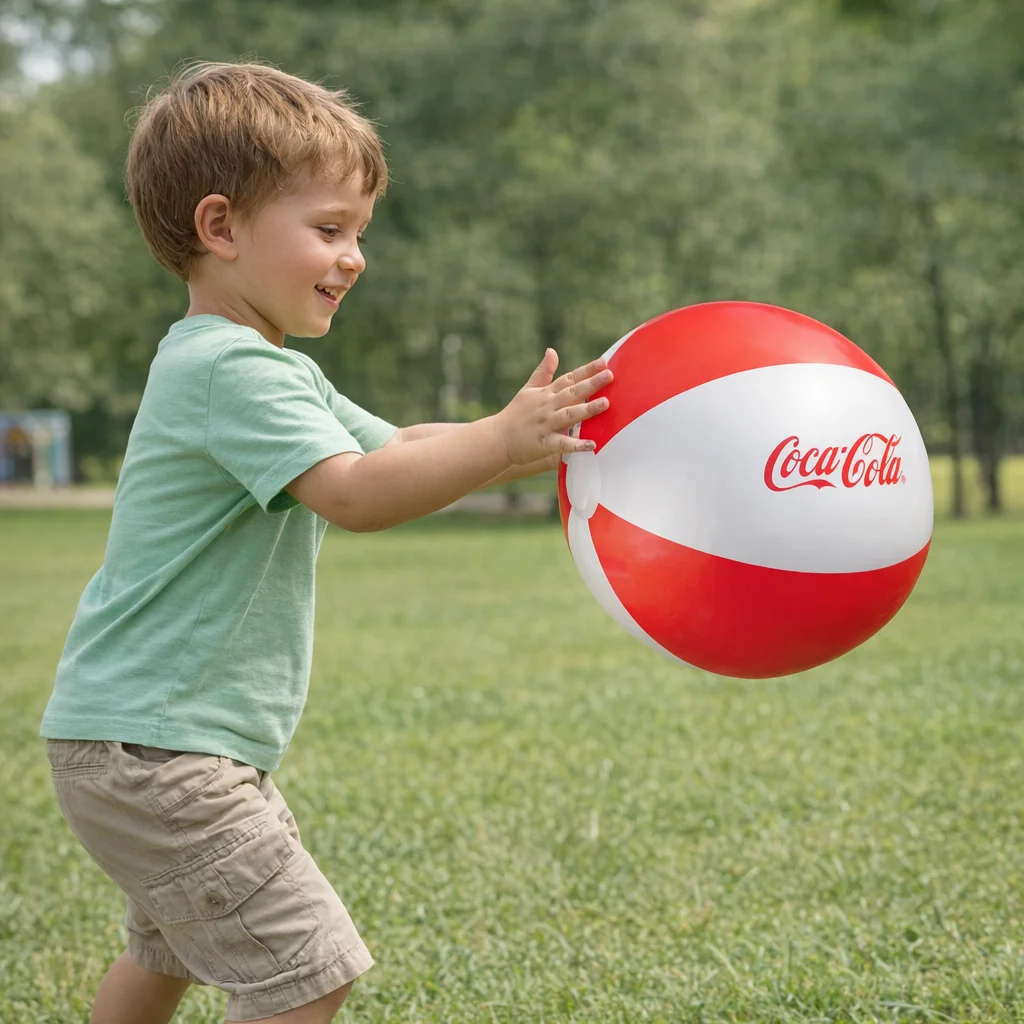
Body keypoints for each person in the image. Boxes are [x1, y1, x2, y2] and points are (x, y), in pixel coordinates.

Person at [39, 61, 612, 1024]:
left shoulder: (253, 366)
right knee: (307, 969)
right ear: (221, 228)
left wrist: (535, 434)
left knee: (166, 954)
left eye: (358, 235)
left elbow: (403, 448)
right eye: (329, 230)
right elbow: (357, 492)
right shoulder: (235, 372)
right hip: (162, 755)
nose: (353, 258)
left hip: (141, 741)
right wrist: (503, 440)